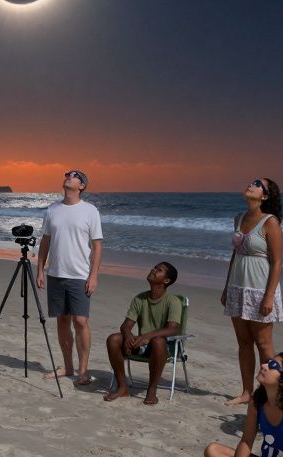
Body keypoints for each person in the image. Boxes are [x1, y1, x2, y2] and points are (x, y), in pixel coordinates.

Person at [35, 169, 103, 386]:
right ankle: (68, 366)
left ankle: (83, 370)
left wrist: (93, 276)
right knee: (63, 320)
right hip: (55, 274)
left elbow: (97, 245)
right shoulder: (53, 209)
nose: (68, 177)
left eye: (74, 176)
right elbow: (45, 241)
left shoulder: (90, 211)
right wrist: (40, 270)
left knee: (81, 321)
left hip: (79, 275)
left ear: (81, 186)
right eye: (67, 174)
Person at [220, 177, 283, 405]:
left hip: (259, 289)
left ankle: (269, 396)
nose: (250, 184)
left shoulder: (270, 222)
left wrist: (269, 296)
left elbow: (277, 262)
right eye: (251, 181)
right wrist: (227, 287)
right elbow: (235, 255)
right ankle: (247, 393)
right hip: (238, 286)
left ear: (265, 196)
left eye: (257, 184)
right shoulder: (239, 218)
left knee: (264, 344)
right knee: (243, 342)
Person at [103, 262, 184, 405]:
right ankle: (123, 387)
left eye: (159, 270)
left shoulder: (173, 301)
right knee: (113, 339)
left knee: (158, 341)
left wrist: (146, 337)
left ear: (166, 280)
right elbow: (126, 325)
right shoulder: (140, 298)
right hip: (142, 344)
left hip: (165, 347)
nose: (153, 270)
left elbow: (173, 329)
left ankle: (151, 390)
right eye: (154, 267)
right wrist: (128, 336)